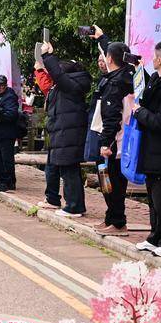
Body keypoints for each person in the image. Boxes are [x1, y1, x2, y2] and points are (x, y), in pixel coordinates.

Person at [36, 42, 92, 217]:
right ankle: (70, 203)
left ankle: (74, 206)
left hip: (68, 134)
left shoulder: (72, 85)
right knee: (66, 169)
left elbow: (58, 75)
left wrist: (47, 56)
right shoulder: (65, 85)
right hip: (62, 133)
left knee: (69, 170)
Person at [89, 32, 135, 237]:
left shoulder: (117, 83)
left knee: (113, 182)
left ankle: (118, 221)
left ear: (109, 58)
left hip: (114, 141)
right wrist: (102, 38)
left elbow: (112, 116)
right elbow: (117, 55)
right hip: (115, 139)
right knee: (106, 179)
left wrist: (105, 143)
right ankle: (111, 217)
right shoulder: (126, 74)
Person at [133, 41, 161, 257]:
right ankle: (155, 236)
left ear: (160, 59)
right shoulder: (157, 80)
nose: (152, 59)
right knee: (154, 199)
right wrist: (140, 72)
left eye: (154, 56)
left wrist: (140, 113)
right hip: (152, 151)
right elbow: (148, 96)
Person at [0, 75, 19, 192]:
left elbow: (12, 114)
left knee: (6, 159)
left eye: (2, 85)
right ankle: (1, 180)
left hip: (7, 132)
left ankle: (9, 182)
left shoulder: (10, 96)